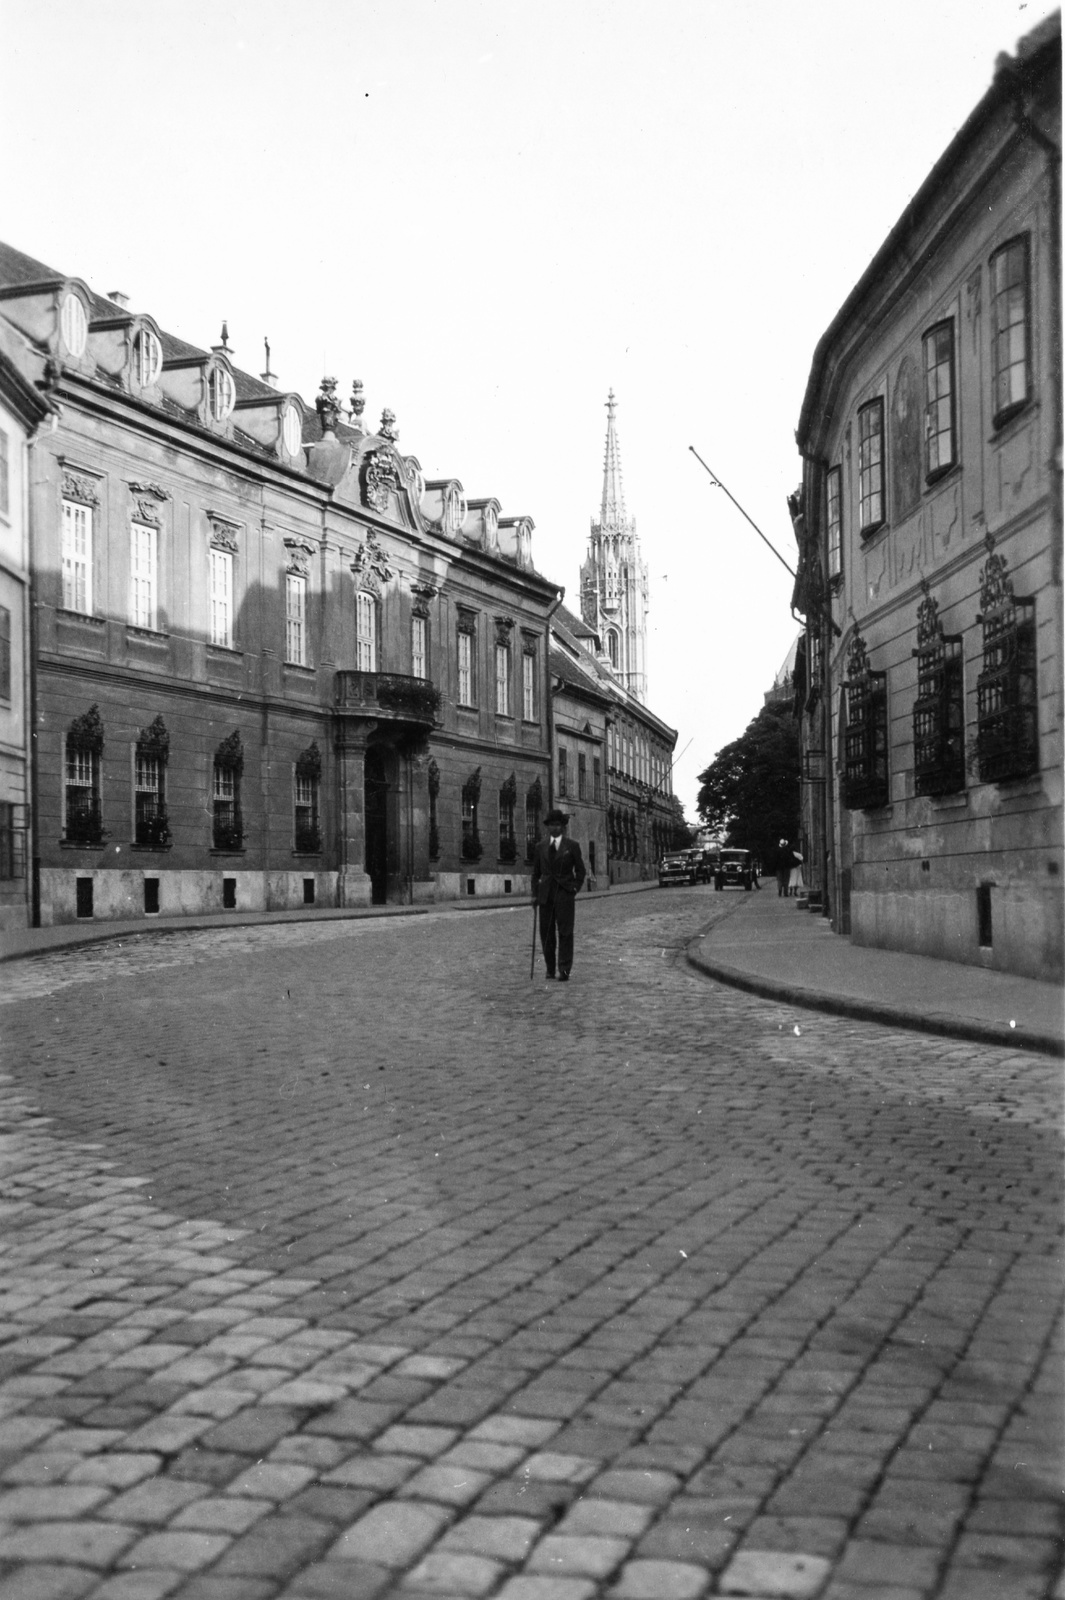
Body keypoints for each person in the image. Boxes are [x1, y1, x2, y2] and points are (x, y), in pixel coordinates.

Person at [531, 809, 586, 981]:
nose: (554, 828)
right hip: (546, 895)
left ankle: (564, 969)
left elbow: (581, 871)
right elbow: (535, 874)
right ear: (548, 827)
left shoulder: (572, 846)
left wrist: (575, 888)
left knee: (565, 932)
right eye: (551, 825)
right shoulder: (540, 847)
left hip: (564, 894)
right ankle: (549, 968)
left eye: (558, 825)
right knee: (546, 933)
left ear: (563, 826)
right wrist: (534, 894)